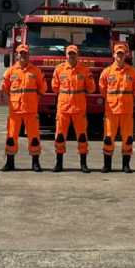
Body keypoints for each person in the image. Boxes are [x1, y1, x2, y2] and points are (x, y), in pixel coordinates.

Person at [1, 44, 46, 172]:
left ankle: (35, 163)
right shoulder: (10, 71)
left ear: (28, 55)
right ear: (16, 55)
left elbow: (42, 89)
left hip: (31, 111)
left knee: (34, 137)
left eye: (25, 53)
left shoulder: (36, 71)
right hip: (15, 111)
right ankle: (10, 163)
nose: (23, 55)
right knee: (11, 137)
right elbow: (5, 88)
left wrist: (33, 99)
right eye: (21, 53)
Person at [51, 44, 96, 173]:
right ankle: (59, 164)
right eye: (69, 53)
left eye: (73, 53)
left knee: (82, 136)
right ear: (66, 55)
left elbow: (91, 89)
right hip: (63, 108)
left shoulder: (85, 70)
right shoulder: (59, 69)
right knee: (60, 136)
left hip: (79, 108)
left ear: (78, 55)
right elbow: (54, 87)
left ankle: (83, 164)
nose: (71, 56)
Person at [99, 43, 135, 173]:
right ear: (114, 55)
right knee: (108, 137)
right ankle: (107, 165)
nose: (120, 56)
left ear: (126, 55)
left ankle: (126, 165)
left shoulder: (132, 72)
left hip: (126, 111)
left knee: (127, 137)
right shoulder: (106, 72)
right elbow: (102, 90)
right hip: (111, 111)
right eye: (118, 54)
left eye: (122, 54)